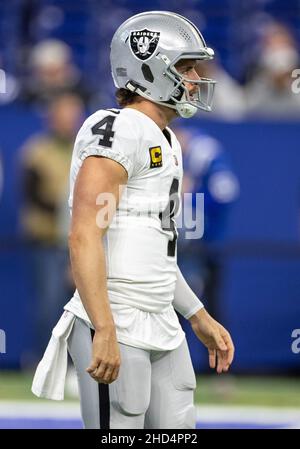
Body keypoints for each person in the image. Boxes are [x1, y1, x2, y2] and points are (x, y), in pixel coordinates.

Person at [32, 11, 234, 429]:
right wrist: (103, 326)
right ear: (150, 69)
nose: (196, 78)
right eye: (186, 67)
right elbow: (84, 236)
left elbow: (156, 248)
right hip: (117, 317)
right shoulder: (117, 130)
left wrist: (197, 314)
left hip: (161, 318)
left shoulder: (166, 140)